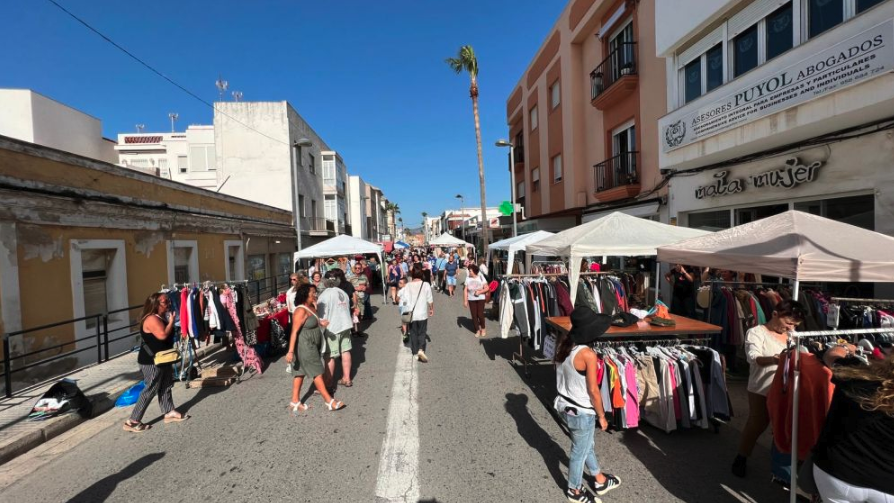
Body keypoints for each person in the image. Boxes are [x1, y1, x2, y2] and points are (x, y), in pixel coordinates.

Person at [553, 307, 621, 502]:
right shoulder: (587, 355)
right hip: (581, 412)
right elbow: (593, 391)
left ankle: (599, 479)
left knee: (584, 444)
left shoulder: (563, 345)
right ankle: (574, 491)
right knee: (578, 452)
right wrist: (601, 416)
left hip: (563, 405)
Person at [732, 300, 805, 477]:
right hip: (761, 388)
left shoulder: (792, 334)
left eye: (794, 325)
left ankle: (780, 464)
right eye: (788, 323)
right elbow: (753, 357)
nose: (790, 327)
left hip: (787, 388)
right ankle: (741, 456)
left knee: (784, 425)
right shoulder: (756, 332)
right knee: (757, 423)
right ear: (774, 314)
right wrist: (775, 360)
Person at [811, 345, 894, 502]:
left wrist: (844, 347)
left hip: (838, 472)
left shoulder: (857, 376)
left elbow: (831, 356)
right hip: (888, 486)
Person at [124, 292, 189, 432]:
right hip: (151, 361)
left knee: (166, 385)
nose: (169, 304)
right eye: (165, 302)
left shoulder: (160, 316)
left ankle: (169, 411)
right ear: (156, 304)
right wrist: (172, 321)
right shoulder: (151, 319)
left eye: (169, 301)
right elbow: (162, 335)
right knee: (151, 388)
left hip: (163, 358)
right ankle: (133, 421)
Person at [285, 284, 345, 413]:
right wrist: (290, 352)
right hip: (305, 346)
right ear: (305, 294)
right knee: (317, 372)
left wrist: (320, 322)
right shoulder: (300, 310)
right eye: (312, 292)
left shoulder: (311, 307)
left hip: (312, 344)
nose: (315, 294)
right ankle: (329, 401)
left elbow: (311, 322)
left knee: (300, 373)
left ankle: (295, 401)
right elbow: (294, 332)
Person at [316, 277, 355, 388]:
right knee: (345, 351)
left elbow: (322, 314)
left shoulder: (324, 295)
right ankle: (347, 378)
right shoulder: (342, 292)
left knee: (330, 355)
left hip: (332, 327)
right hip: (346, 324)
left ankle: (328, 383)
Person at [405, 266, 434, 362]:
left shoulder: (408, 285)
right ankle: (421, 349)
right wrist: (431, 309)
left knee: (413, 332)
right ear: (421, 274)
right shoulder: (425, 285)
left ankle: (415, 352)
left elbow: (405, 300)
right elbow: (430, 299)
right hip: (422, 313)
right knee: (422, 332)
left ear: (412, 275)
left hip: (411, 313)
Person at [464, 264, 489, 338]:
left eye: (470, 271)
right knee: (474, 315)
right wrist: (465, 300)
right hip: (471, 299)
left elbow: (487, 288)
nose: (469, 272)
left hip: (481, 298)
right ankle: (477, 330)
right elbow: (465, 290)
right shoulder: (467, 278)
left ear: (474, 271)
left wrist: (480, 292)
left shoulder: (481, 277)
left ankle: (483, 328)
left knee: (480, 315)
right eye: (469, 271)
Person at [349, 262, 370, 332]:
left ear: (361, 269)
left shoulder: (364, 277)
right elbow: (347, 288)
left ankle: (359, 330)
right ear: (354, 269)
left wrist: (365, 288)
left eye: (359, 268)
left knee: (361, 315)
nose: (357, 269)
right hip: (353, 298)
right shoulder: (350, 277)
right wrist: (355, 288)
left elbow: (368, 285)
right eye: (356, 268)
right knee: (354, 314)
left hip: (361, 298)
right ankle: (354, 330)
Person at [397, 277, 409, 342]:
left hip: (403, 306)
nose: (399, 284)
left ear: (405, 284)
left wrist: (397, 300)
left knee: (403, 321)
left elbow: (397, 299)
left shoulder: (400, 291)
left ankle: (405, 333)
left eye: (400, 283)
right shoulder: (410, 290)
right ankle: (408, 330)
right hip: (409, 306)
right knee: (409, 318)